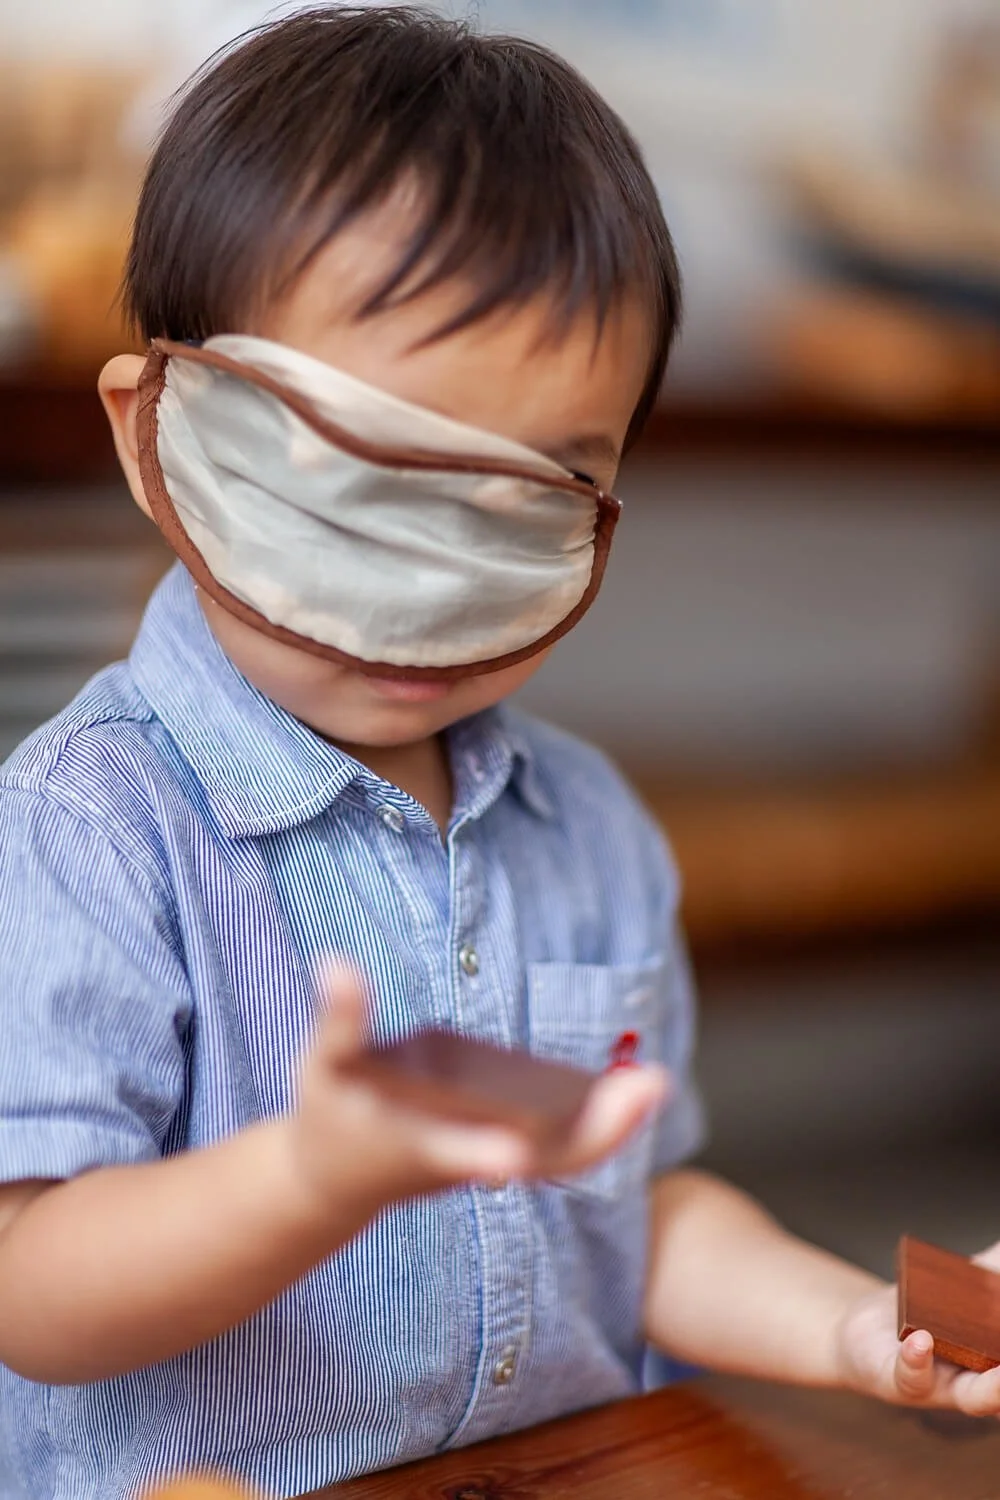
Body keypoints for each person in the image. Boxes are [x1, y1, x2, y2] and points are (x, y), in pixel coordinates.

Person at [0, 8, 997, 1499]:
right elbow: (32, 1293)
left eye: (527, 501)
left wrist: (852, 1324)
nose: (422, 585)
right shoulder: (82, 831)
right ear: (158, 439)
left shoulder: (590, 827)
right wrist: (311, 1178)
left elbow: (631, 1215)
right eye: (354, 480)